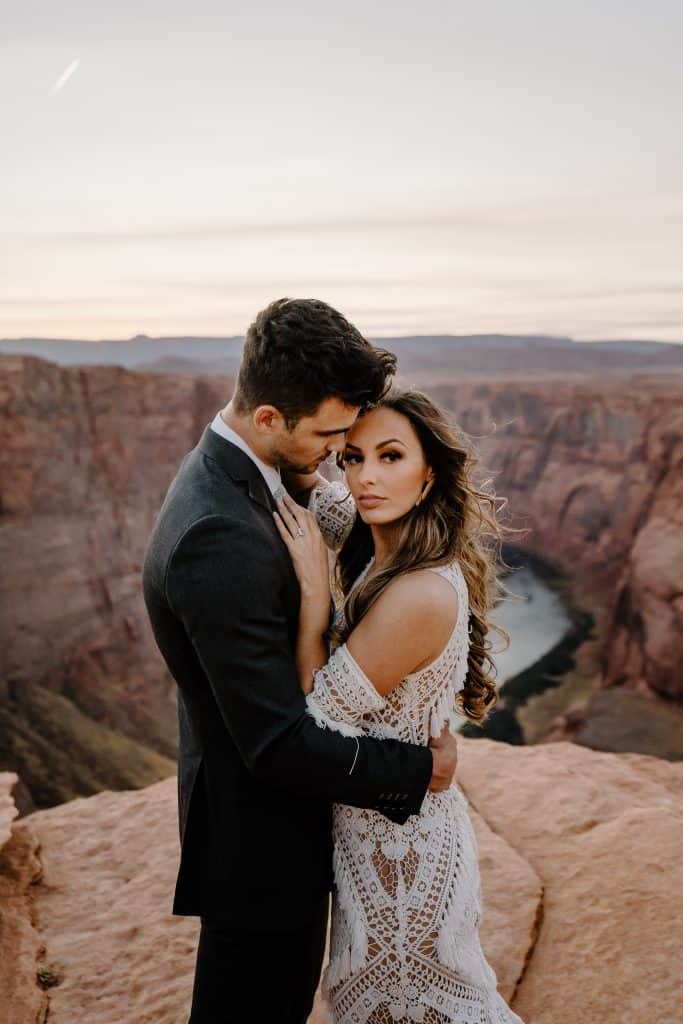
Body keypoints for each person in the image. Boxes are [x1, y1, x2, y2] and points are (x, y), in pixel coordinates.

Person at [141, 298, 459, 1024]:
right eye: (329, 436)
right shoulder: (217, 533)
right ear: (267, 420)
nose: (337, 456)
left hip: (272, 833)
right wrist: (421, 771)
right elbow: (276, 744)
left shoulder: (240, 476)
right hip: (260, 849)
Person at [274, 386, 524, 1024]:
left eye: (391, 457)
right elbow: (310, 479)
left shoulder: (417, 592)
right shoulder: (376, 529)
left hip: (403, 864)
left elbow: (315, 721)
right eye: (353, 458)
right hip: (380, 836)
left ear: (429, 471)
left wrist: (312, 600)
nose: (365, 478)